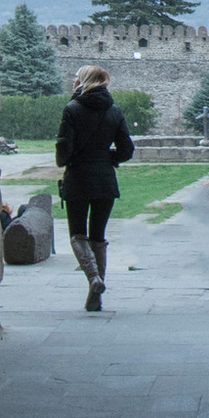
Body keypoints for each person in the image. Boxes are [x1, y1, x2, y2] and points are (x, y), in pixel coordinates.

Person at [55, 63, 134, 311]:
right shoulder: (114, 111)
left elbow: (64, 146)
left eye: (76, 77)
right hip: (104, 179)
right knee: (98, 236)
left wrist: (64, 160)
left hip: (78, 177)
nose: (73, 81)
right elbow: (127, 150)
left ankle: (93, 278)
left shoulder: (72, 109)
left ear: (84, 81)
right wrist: (108, 158)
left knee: (78, 233)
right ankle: (96, 294)